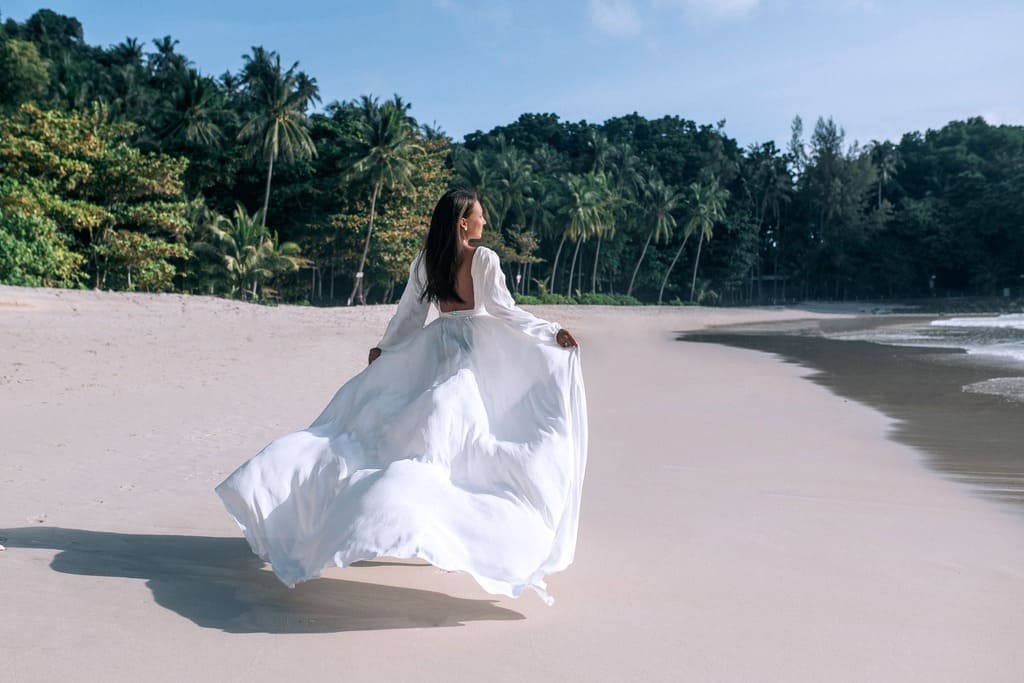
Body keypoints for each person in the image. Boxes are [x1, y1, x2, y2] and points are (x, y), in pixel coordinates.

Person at [216, 188, 588, 605]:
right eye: (480, 215)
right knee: (468, 451)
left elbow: (409, 315)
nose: (484, 221)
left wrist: (387, 347)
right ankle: (440, 534)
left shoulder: (426, 260)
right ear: (463, 222)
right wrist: (549, 331)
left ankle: (414, 527)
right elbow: (502, 309)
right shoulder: (483, 258)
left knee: (415, 442)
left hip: (435, 349)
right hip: (472, 356)